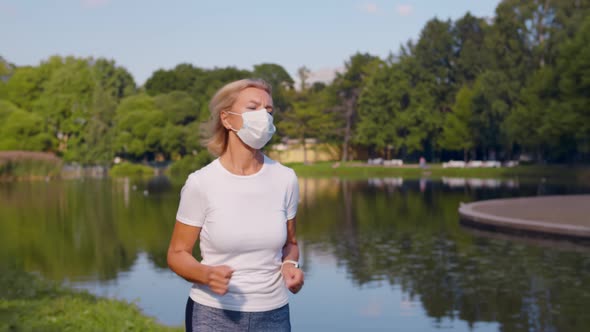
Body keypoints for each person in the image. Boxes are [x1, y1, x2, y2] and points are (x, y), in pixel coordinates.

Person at [167, 78, 304, 332]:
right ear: (227, 119)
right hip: (213, 314)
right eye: (253, 108)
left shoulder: (286, 179)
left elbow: (291, 244)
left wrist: (290, 265)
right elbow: (177, 254)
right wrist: (206, 275)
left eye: (269, 111)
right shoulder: (201, 183)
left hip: (273, 315)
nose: (263, 116)